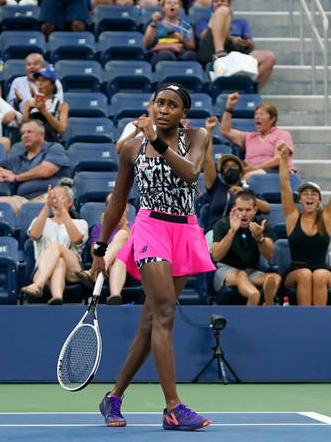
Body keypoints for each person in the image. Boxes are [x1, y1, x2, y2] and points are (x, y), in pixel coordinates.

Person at [91, 83, 213, 430]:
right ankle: (172, 407)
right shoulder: (132, 148)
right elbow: (117, 202)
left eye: (172, 105)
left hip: (185, 231)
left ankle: (113, 397)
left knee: (150, 323)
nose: (163, 109)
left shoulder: (198, 136)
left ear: (182, 114)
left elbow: (191, 172)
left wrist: (157, 141)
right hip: (151, 229)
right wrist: (101, 247)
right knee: (164, 312)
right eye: (159, 102)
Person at [278, 143, 331, 306]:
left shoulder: (326, 218)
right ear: (300, 199)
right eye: (305, 194)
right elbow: (284, 187)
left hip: (322, 270)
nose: (309, 196)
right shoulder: (293, 217)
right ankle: (306, 321)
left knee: (319, 275)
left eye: (314, 194)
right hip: (295, 271)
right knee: (304, 274)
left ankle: (320, 322)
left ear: (318, 200)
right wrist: (283, 159)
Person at [194, 0, 277, 89]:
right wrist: (232, 39)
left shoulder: (241, 22)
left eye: (222, 1)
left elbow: (251, 44)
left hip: (234, 53)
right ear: (212, 5)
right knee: (223, 11)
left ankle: (250, 91)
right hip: (211, 49)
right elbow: (203, 36)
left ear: (230, 5)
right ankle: (219, 52)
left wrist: (245, 43)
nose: (219, 3)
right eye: (216, 1)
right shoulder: (203, 20)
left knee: (269, 57)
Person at [0, 119, 70, 215]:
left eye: (29, 132)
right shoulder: (18, 158)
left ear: (41, 135)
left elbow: (46, 170)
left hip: (48, 195)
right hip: (23, 199)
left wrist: (17, 178)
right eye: (23, 133)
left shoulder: (54, 148)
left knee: (51, 201)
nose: (25, 135)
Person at [20, 184, 88, 304]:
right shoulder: (40, 220)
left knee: (55, 246)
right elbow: (34, 235)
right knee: (59, 262)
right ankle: (57, 297)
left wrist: (62, 210)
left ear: (70, 201)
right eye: (53, 198)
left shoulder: (80, 223)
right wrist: (47, 206)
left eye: (60, 197)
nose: (55, 201)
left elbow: (76, 239)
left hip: (73, 271)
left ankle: (37, 285)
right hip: (42, 270)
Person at [209, 190, 279, 305]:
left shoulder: (261, 225)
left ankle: (267, 304)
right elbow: (216, 256)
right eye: (240, 210)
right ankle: (254, 297)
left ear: (255, 210)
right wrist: (232, 231)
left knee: (275, 278)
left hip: (251, 271)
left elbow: (269, 255)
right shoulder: (222, 224)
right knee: (243, 277)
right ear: (234, 209)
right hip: (226, 270)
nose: (243, 214)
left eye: (248, 210)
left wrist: (260, 238)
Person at [200, 115, 271, 229]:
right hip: (216, 233)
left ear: (241, 171)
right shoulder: (215, 186)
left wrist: (243, 194)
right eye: (227, 167)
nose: (231, 168)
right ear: (222, 172)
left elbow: (267, 208)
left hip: (242, 233)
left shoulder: (248, 191)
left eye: (234, 166)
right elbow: (207, 159)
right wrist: (209, 131)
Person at [219, 92, 294, 182]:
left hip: (276, 173)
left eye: (261, 114)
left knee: (249, 177)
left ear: (272, 119)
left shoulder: (282, 134)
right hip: (251, 173)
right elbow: (225, 131)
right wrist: (229, 108)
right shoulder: (249, 137)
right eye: (256, 114)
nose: (257, 117)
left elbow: (279, 159)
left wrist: (255, 168)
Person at [76, 198, 132, 304]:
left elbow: (137, 249)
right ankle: (115, 295)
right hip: (106, 268)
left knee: (122, 237)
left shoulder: (134, 227)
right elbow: (94, 253)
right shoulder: (99, 228)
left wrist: (124, 227)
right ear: (107, 209)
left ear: (127, 208)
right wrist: (105, 229)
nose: (116, 206)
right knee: (119, 259)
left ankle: (92, 271)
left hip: (129, 268)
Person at [143, 0, 197, 65]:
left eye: (175, 3)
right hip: (160, 53)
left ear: (180, 8)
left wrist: (182, 39)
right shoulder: (155, 22)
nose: (172, 4)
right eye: (169, 3)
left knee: (190, 55)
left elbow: (192, 47)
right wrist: (154, 23)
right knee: (166, 55)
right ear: (163, 8)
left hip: (180, 52)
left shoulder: (186, 26)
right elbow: (147, 43)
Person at [21, 68, 69, 143]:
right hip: (31, 143)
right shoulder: (28, 103)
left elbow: (61, 129)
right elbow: (22, 130)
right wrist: (27, 110)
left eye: (44, 80)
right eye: (37, 80)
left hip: (51, 144)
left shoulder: (61, 105)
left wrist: (44, 111)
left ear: (52, 85)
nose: (40, 83)